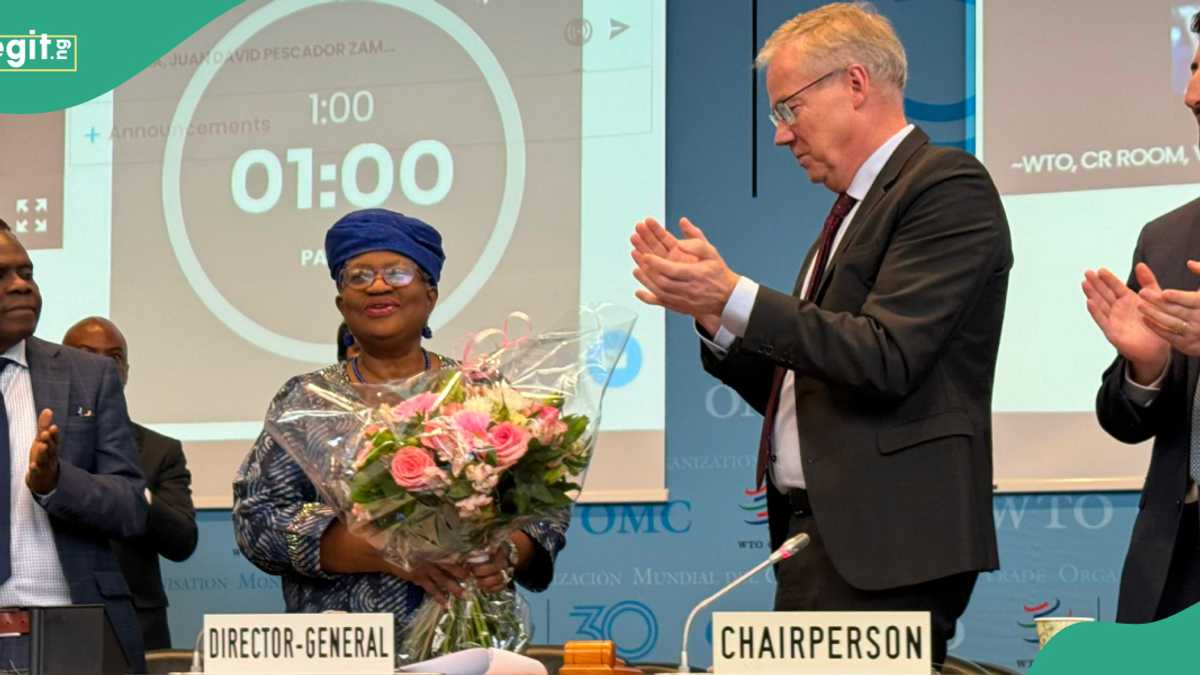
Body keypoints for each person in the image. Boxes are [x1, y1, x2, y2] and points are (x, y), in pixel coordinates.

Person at [630, 3, 1011, 667]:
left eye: (788, 109)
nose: (781, 136)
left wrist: (736, 296)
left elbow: (887, 356)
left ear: (855, 84)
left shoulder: (946, 186)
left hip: (891, 546)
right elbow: (813, 385)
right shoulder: (844, 220)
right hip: (815, 540)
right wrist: (718, 318)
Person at [233, 208, 567, 650]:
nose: (377, 285)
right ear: (341, 303)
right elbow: (258, 521)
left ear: (430, 294)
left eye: (397, 272)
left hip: (467, 639)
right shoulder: (305, 400)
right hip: (340, 649)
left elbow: (543, 508)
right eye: (358, 276)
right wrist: (385, 550)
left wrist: (505, 554)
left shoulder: (480, 392)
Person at [1084, 11, 1200, 624]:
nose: (1191, 95)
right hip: (1173, 557)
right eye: (1194, 69)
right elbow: (1124, 418)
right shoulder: (1165, 238)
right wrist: (1147, 369)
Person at [0, 219, 147, 671]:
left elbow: (130, 507)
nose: (21, 286)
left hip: (70, 623)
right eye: (1, 276)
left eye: (27, 272)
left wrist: (56, 482)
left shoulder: (88, 375)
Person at [62, 316, 198, 650]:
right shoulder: (34, 439)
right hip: (52, 612)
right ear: (61, 364)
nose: (103, 365)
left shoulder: (159, 450)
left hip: (136, 625)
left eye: (114, 357)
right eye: (87, 354)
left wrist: (138, 492)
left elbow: (182, 541)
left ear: (125, 371)